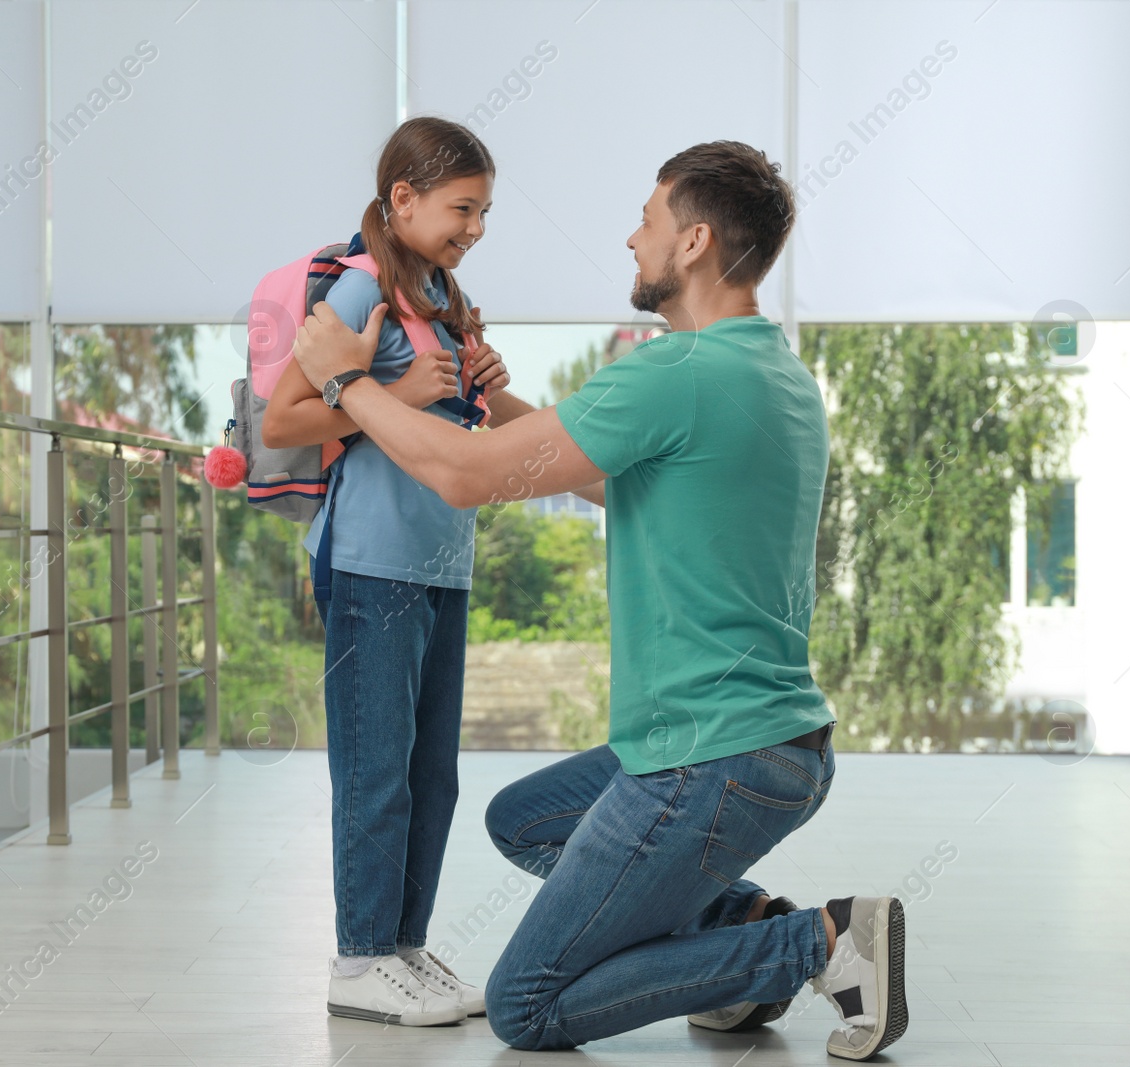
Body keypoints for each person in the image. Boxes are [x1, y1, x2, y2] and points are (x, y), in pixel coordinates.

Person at [289, 140, 909, 1061]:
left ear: (693, 241)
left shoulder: (674, 373)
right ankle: (735, 939)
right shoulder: (778, 377)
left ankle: (814, 944)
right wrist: (498, 404)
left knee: (526, 1004)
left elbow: (462, 478)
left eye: (649, 220)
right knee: (523, 818)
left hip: (709, 758)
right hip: (778, 745)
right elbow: (616, 483)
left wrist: (345, 380)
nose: (631, 238)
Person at [261, 116, 541, 1028]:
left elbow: (462, 422)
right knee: (376, 769)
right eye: (464, 207)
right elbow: (280, 422)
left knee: (431, 775)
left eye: (485, 211)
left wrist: (479, 381)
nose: (476, 226)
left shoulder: (440, 289)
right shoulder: (358, 287)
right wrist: (393, 394)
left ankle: (403, 947)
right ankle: (358, 958)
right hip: (372, 564)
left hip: (440, 561)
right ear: (404, 199)